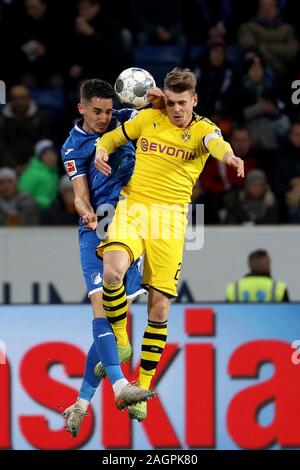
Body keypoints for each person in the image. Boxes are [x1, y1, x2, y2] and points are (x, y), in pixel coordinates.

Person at [94, 67, 244, 421]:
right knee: (111, 273)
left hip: (170, 220)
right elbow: (114, 138)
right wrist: (101, 149)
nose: (176, 109)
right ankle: (120, 339)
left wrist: (230, 157)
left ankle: (142, 388)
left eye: (182, 102)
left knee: (159, 309)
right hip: (132, 207)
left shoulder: (204, 130)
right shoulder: (149, 117)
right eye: (172, 102)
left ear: (194, 100)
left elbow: (216, 144)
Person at [61, 78, 156, 437]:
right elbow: (79, 195)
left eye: (108, 110)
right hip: (97, 230)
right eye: (97, 111)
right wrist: (85, 211)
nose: (104, 117)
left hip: (132, 226)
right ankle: (120, 387)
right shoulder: (73, 147)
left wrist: (159, 97)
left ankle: (81, 403)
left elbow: (168, 115)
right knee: (102, 310)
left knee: (116, 333)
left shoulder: (126, 118)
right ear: (81, 108)